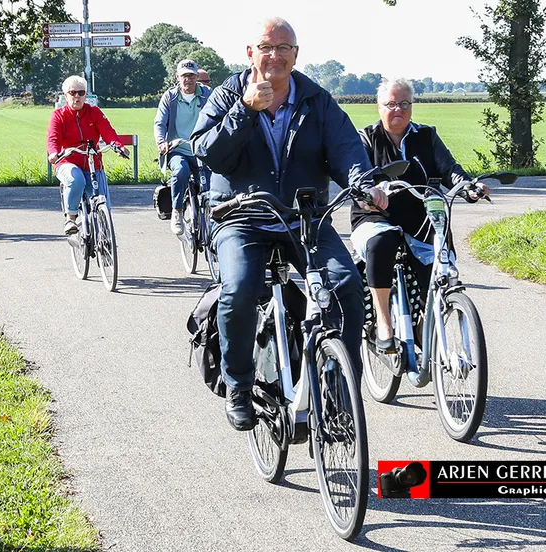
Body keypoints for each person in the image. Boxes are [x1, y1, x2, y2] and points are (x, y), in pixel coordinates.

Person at [191, 17, 386, 431]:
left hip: (304, 217)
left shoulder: (316, 99)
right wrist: (245, 111)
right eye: (267, 47)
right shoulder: (229, 96)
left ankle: (337, 385)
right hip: (240, 215)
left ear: (296, 55)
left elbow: (347, 148)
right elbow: (207, 152)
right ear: (250, 53)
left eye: (284, 48)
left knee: (347, 285)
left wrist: (364, 183)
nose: (275, 55)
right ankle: (240, 385)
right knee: (240, 289)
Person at [350, 77, 485, 352]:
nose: (397, 109)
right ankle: (384, 321)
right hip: (376, 214)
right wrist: (369, 192)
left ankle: (428, 322)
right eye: (391, 104)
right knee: (382, 243)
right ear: (379, 107)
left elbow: (449, 168)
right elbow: (358, 175)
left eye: (404, 103)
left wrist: (468, 186)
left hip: (419, 215)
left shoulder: (426, 135)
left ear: (412, 106)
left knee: (438, 263)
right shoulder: (365, 138)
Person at [47, 75, 127, 235]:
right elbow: (53, 137)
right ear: (65, 95)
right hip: (67, 161)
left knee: (103, 201)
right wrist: (54, 153)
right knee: (76, 180)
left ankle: (105, 239)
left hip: (93, 162)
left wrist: (118, 146)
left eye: (81, 92)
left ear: (85, 95)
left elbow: (108, 132)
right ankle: (71, 218)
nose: (77, 96)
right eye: (73, 92)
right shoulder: (59, 115)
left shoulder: (94, 112)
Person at [154, 59, 212, 235]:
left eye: (192, 76)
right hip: (178, 148)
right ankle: (177, 211)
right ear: (177, 77)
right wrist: (162, 142)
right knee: (180, 171)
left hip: (202, 149)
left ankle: (215, 218)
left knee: (213, 180)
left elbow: (220, 115)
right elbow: (160, 123)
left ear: (197, 78)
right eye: (185, 76)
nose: (188, 80)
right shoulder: (170, 97)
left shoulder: (207, 94)